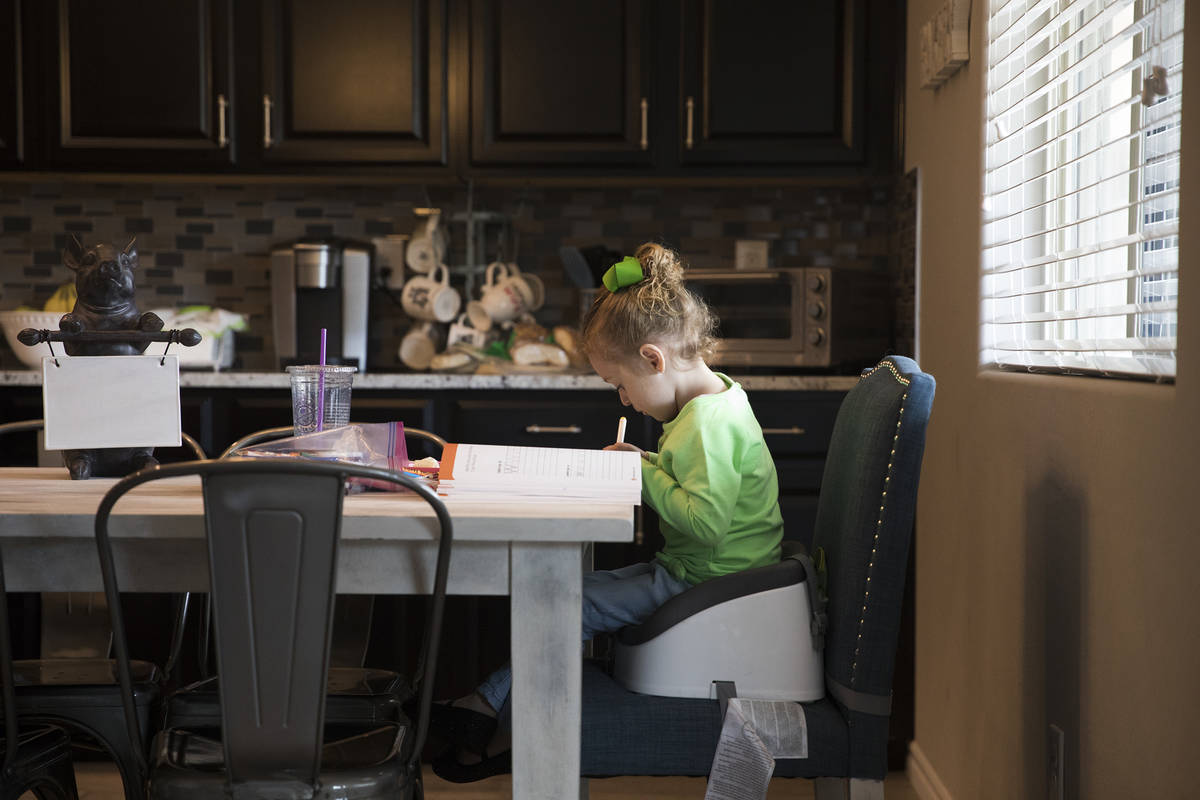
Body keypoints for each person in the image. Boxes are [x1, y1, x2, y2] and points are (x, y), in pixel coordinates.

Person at [430, 242, 784, 782]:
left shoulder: (704, 425)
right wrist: (647, 461)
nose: (623, 400)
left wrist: (642, 473)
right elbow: (697, 487)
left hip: (713, 582)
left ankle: (492, 716)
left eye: (620, 384)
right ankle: (490, 707)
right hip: (704, 572)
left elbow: (707, 523)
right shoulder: (717, 403)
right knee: (574, 593)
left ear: (652, 359)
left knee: (567, 605)